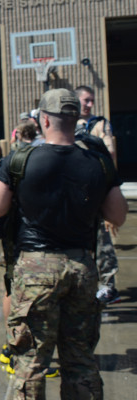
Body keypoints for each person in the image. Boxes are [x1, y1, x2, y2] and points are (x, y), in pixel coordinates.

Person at [0, 89, 126, 400]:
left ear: (44, 119)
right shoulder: (97, 162)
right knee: (80, 360)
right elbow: (118, 214)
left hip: (36, 267)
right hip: (81, 266)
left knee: (31, 359)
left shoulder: (22, 159)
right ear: (76, 119)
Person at [75, 85, 121, 305]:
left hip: (96, 186)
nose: (90, 104)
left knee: (102, 237)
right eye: (86, 100)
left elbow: (110, 152)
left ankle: (108, 285)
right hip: (74, 190)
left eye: (92, 100)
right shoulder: (67, 124)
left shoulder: (100, 124)